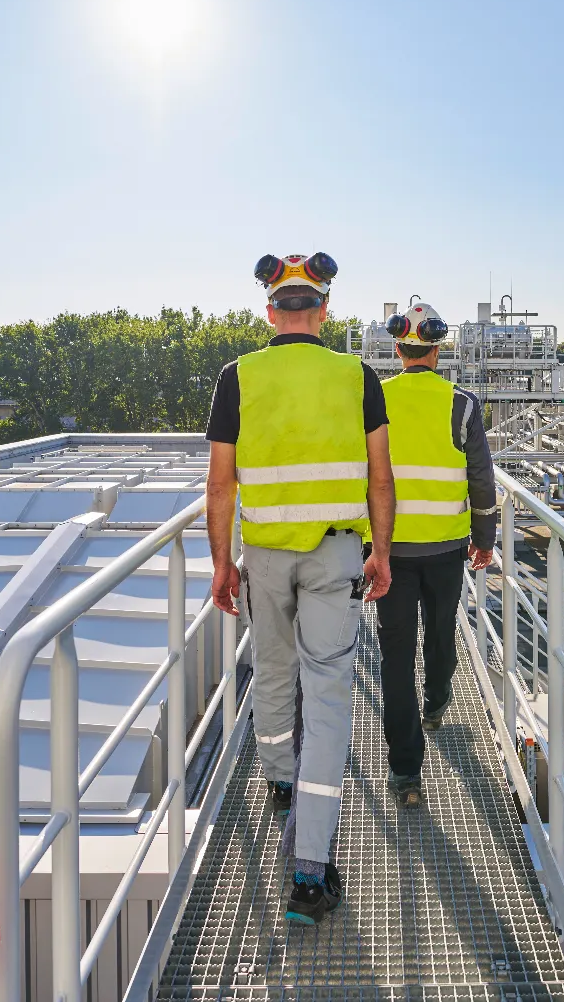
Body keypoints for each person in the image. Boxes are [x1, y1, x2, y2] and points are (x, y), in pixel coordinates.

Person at [205, 252, 394, 925]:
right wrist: (384, 553)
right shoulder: (355, 375)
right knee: (329, 694)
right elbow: (379, 477)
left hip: (263, 554)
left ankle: (280, 784)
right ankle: (310, 871)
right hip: (335, 554)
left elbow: (221, 482)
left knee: (275, 674)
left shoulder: (239, 376)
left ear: (268, 311)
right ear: (322, 310)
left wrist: (222, 561)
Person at [374, 299, 498, 808]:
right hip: (447, 549)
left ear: (398, 346)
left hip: (392, 550)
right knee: (441, 632)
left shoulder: (376, 399)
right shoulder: (462, 404)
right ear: (439, 349)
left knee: (395, 656)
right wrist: (484, 538)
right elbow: (481, 478)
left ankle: (406, 773)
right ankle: (438, 701)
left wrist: (369, 544)